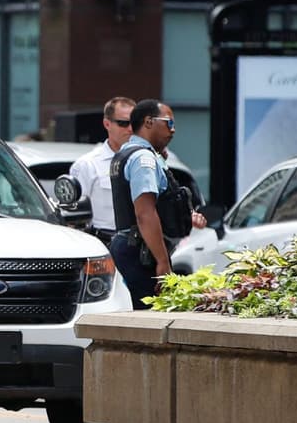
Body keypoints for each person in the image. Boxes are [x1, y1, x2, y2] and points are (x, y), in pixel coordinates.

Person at [108, 99, 203, 308]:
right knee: (148, 318)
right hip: (141, 252)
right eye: (169, 123)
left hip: (132, 246)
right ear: (149, 122)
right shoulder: (143, 159)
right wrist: (162, 261)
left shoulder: (126, 153)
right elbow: (145, 213)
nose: (174, 130)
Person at [67, 96, 135, 246]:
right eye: (123, 123)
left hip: (140, 246)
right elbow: (74, 218)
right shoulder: (88, 164)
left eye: (134, 123)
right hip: (104, 244)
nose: (130, 129)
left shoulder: (144, 160)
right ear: (107, 124)